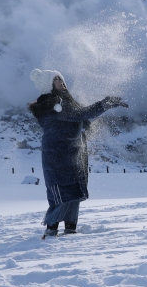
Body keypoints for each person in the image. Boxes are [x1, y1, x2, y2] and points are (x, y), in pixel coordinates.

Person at [28, 70, 127, 237]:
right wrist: (103, 104)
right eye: (57, 80)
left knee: (73, 192)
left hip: (72, 154)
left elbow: (83, 120)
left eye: (61, 79)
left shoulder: (65, 102)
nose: (61, 82)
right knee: (62, 194)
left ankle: (70, 228)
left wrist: (104, 106)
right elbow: (80, 115)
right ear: (48, 84)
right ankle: (51, 229)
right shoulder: (51, 104)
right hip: (57, 156)